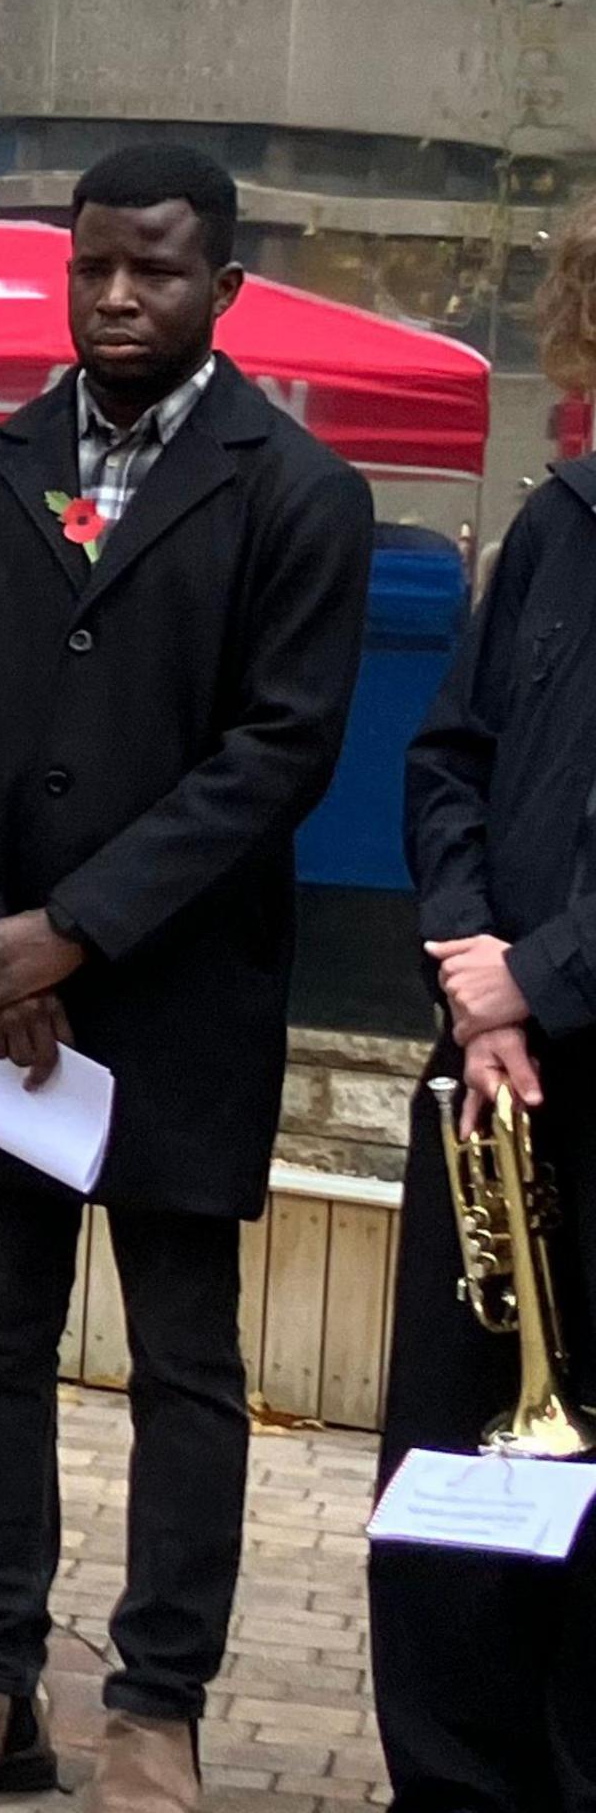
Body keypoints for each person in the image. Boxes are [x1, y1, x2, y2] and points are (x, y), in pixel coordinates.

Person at [0, 143, 373, 1813]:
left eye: (157, 269)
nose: (119, 296)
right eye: (95, 268)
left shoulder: (299, 496)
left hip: (173, 1001)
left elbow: (280, 753)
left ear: (226, 286)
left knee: (186, 1368)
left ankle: (155, 1715)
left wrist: (76, 927)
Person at [374, 195, 596, 1811]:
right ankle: (455, 1785)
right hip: (501, 1083)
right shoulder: (559, 528)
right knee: (456, 1470)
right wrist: (476, 971)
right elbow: (450, 759)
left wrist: (547, 974)